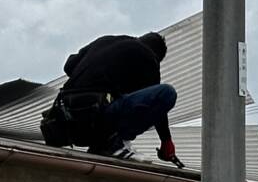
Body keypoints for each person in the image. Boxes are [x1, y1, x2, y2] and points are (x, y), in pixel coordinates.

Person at [38, 30, 181, 165]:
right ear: (157, 55)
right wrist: (166, 141)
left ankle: (101, 144)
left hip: (64, 121)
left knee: (114, 98)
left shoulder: (104, 41)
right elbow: (157, 108)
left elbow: (69, 67)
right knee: (166, 93)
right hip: (97, 119)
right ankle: (112, 144)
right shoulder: (148, 56)